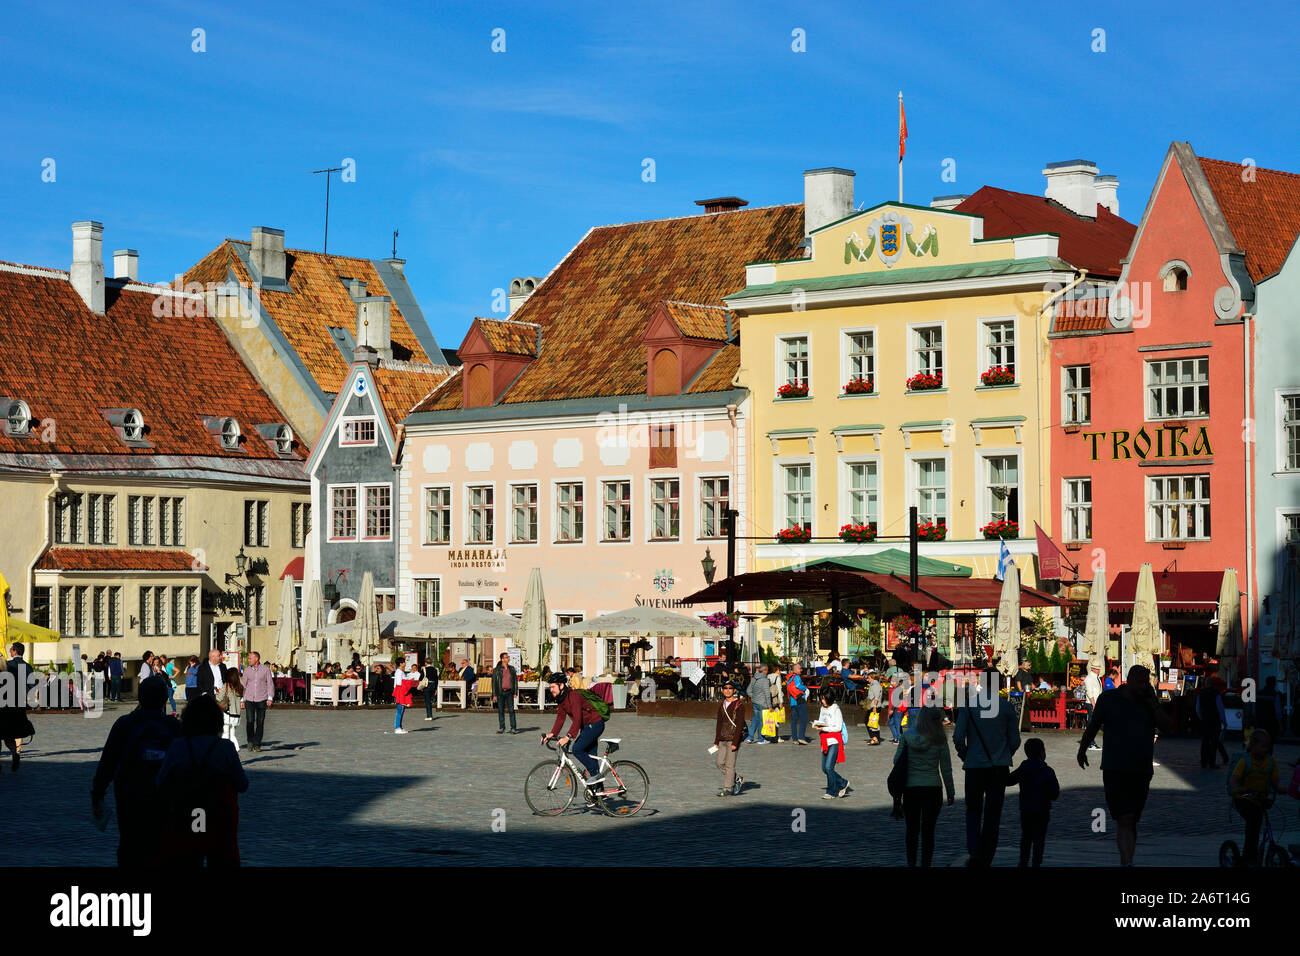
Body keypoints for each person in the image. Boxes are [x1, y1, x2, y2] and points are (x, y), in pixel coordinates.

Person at [1077, 664, 1174, 866]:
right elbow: (1093, 725)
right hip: (1115, 766)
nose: (1143, 686)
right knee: (1124, 818)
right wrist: (1082, 749)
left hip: (1141, 768)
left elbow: (1167, 726)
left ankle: (1127, 859)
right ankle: (1126, 861)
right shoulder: (1109, 699)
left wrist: (1153, 703)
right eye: (1139, 681)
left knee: (1132, 819)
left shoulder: (1149, 702)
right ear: (1128, 680)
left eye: (1146, 682)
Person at [90, 676, 180, 866]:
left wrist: (97, 794)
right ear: (164, 699)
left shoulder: (125, 724)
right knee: (164, 845)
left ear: (140, 698)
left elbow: (108, 762)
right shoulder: (174, 727)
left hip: (130, 794)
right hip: (165, 797)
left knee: (130, 844)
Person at [157, 694, 248, 867]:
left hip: (188, 812)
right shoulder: (225, 748)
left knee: (189, 857)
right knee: (221, 859)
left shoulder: (179, 746)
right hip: (219, 815)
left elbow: (161, 782)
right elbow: (243, 784)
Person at [953, 668, 1021, 867]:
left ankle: (974, 851)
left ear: (981, 682)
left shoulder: (969, 706)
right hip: (998, 768)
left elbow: (958, 737)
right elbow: (1015, 740)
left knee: (973, 810)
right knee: (993, 813)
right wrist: (1004, 754)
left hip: (974, 767)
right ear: (999, 683)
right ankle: (987, 855)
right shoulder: (1007, 707)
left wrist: (965, 755)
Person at [894, 707, 955, 867]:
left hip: (911, 788)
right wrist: (950, 791)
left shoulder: (907, 736)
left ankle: (911, 862)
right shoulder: (940, 739)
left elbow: (896, 761)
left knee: (912, 830)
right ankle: (926, 863)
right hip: (933, 788)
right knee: (929, 831)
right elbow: (946, 769)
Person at [542, 672, 606, 791]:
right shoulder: (561, 699)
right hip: (587, 727)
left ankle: (596, 775)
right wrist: (552, 733)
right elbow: (561, 717)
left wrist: (568, 736)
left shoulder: (574, 696)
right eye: (550, 687)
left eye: (552, 687)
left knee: (577, 749)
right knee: (591, 757)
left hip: (595, 724)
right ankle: (599, 793)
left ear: (561, 685)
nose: (551, 690)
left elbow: (577, 719)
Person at [1229, 729, 1280, 866]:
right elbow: (1234, 781)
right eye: (1263, 746)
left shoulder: (1271, 762)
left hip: (1259, 799)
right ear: (1253, 746)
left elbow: (1275, 783)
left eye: (1268, 746)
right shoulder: (1245, 761)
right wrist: (1240, 789)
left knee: (1258, 823)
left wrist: (1281, 789)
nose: (1266, 749)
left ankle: (1256, 855)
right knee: (1253, 823)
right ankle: (1248, 858)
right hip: (1243, 799)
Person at [1007, 737, 1060, 867]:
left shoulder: (1024, 768)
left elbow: (1009, 781)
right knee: (1039, 839)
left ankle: (1023, 861)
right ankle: (1036, 863)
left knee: (1026, 837)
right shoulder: (1048, 771)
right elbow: (1055, 794)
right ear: (1042, 753)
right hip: (1043, 810)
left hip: (1026, 809)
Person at [814, 688, 850, 799]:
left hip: (834, 740)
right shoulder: (822, 708)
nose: (822, 701)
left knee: (829, 767)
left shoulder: (836, 709)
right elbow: (821, 720)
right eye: (821, 699)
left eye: (824, 699)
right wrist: (818, 725)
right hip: (824, 740)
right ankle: (843, 783)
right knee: (824, 768)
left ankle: (831, 792)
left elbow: (838, 727)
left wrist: (825, 729)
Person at [713, 680, 746, 797]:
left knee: (730, 765)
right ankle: (737, 778)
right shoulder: (721, 705)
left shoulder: (739, 705)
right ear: (722, 690)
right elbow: (719, 723)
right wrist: (716, 740)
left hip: (733, 738)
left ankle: (728, 788)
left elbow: (740, 724)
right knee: (719, 763)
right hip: (722, 738)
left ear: (734, 690)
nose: (727, 690)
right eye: (725, 688)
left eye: (730, 688)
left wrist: (736, 742)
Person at [3, 644, 33, 770]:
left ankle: (14, 753)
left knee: (5, 731)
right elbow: (31, 685)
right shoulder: (28, 666)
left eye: (11, 649)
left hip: (7, 702)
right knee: (16, 729)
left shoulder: (9, 664)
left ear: (14, 651)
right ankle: (17, 752)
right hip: (21, 702)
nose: (9, 651)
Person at [240, 651, 274, 752]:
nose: (248, 660)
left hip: (262, 698)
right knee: (250, 721)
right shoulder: (246, 670)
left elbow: (270, 684)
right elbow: (243, 685)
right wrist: (242, 699)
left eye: (250, 658)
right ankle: (250, 741)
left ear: (256, 659)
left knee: (260, 722)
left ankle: (257, 744)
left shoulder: (265, 670)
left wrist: (270, 697)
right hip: (249, 698)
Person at [1195, 679, 1226, 769]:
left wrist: (1201, 718)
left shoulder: (1200, 693)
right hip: (1215, 720)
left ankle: (1203, 761)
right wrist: (1223, 721)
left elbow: (1197, 708)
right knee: (1214, 742)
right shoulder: (1216, 693)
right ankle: (1212, 762)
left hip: (1205, 720)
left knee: (1204, 741)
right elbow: (1220, 708)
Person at [214, 666, 244, 751]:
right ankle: (236, 748)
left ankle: (225, 750)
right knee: (233, 734)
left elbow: (219, 698)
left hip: (228, 713)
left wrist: (217, 693)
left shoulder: (226, 686)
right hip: (236, 715)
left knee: (225, 733)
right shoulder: (240, 687)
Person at [491, 652, 520, 734]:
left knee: (511, 710)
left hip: (509, 692)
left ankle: (513, 728)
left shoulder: (512, 669)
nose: (508, 658)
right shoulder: (496, 670)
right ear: (502, 659)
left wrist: (515, 691)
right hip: (500, 692)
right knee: (501, 710)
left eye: (508, 657)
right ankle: (502, 727)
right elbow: (493, 683)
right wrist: (494, 694)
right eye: (506, 657)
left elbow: (515, 681)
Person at [745, 665, 771, 744]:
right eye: (767, 670)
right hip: (762, 703)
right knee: (761, 721)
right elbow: (767, 694)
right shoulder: (765, 680)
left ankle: (750, 737)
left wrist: (754, 697)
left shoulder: (754, 678)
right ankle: (761, 739)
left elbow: (748, 690)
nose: (767, 672)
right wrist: (770, 706)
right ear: (764, 671)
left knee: (755, 720)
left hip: (755, 702)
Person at [784, 663, 809, 745]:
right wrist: (805, 688)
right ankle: (801, 737)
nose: (801, 670)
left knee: (794, 720)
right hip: (799, 699)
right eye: (799, 668)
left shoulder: (789, 677)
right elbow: (798, 685)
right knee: (804, 719)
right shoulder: (797, 677)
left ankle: (795, 739)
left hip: (793, 701)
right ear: (795, 669)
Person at [392, 659, 414, 734]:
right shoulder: (398, 672)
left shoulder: (401, 672)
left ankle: (400, 727)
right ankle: (397, 728)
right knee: (399, 710)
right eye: (404, 662)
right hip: (400, 692)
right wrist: (408, 682)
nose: (405, 663)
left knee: (402, 710)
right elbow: (399, 683)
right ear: (401, 663)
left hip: (402, 692)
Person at [422, 656, 440, 720]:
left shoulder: (424, 669)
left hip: (427, 685)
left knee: (427, 701)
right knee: (430, 700)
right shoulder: (435, 669)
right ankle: (430, 715)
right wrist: (436, 689)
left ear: (426, 663)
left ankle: (429, 716)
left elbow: (421, 678)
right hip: (433, 685)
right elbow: (436, 679)